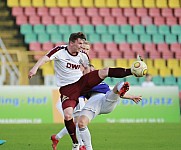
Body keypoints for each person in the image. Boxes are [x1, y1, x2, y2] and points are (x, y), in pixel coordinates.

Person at [28, 32, 143, 150]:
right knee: (68, 116)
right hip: (68, 89)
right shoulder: (59, 51)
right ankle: (75, 143)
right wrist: (34, 68)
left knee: (104, 71)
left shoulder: (83, 55)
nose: (82, 46)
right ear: (71, 42)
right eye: (80, 43)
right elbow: (45, 58)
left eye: (83, 44)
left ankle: (132, 71)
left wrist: (91, 74)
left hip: (82, 83)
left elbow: (88, 68)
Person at [51, 80, 142, 150]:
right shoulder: (83, 84)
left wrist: (131, 97)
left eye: (92, 69)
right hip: (93, 103)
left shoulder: (101, 82)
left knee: (116, 88)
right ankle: (86, 147)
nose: (91, 71)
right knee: (80, 123)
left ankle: (122, 86)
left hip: (106, 99)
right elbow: (79, 96)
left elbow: (117, 94)